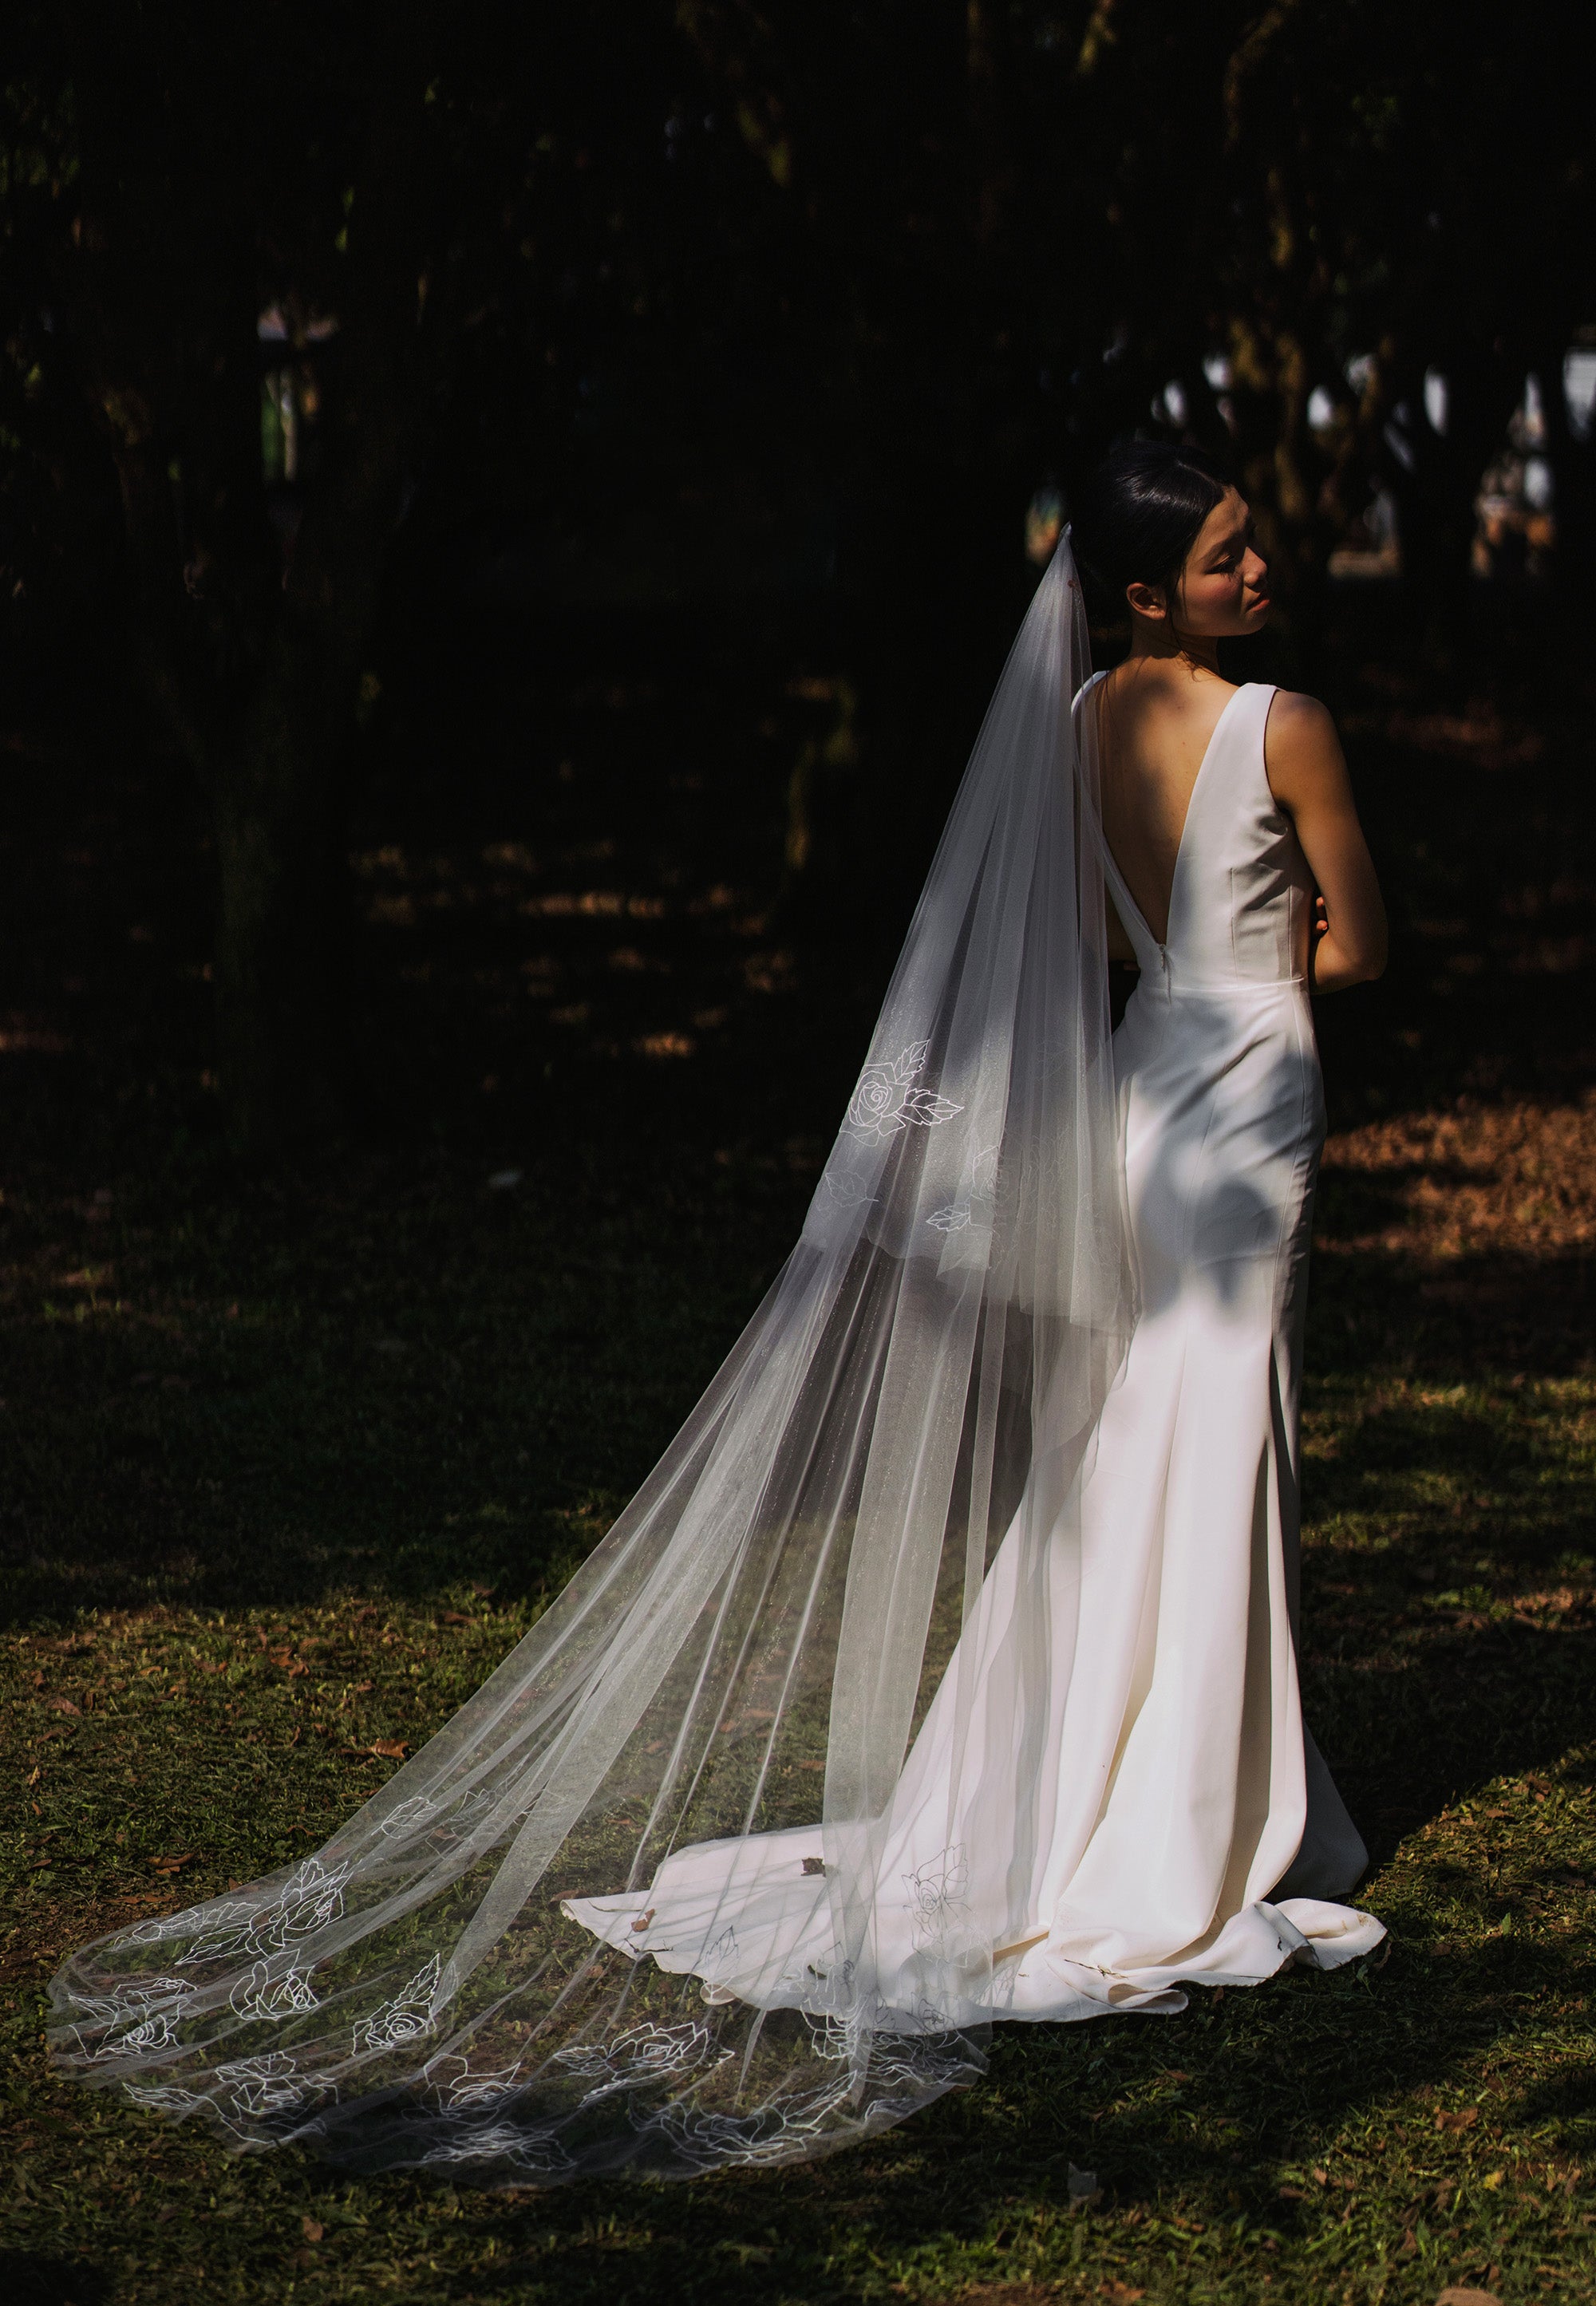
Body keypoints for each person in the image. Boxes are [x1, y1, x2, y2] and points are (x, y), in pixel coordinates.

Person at [51, 443, 1388, 2187]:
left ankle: (1106, 1778)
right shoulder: (1281, 724)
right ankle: (1185, 1818)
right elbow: (1354, 951)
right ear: (1143, 591)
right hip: (1248, 1086)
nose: (1260, 568)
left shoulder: (1068, 735)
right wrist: (1270, 958)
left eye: (1249, 548)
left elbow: (1089, 951)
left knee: (1129, 1430)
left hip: (1144, 1090)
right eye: (1227, 556)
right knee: (1214, 1427)